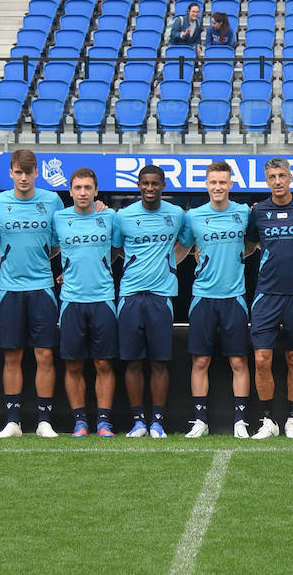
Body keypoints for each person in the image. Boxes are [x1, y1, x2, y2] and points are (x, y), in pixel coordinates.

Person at [0, 150, 63, 438]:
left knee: (44, 355)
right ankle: (13, 422)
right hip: (9, 289)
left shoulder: (52, 200)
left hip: (42, 287)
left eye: (28, 172)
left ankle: (44, 421)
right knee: (12, 356)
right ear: (10, 173)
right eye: (18, 172)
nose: (23, 177)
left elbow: (58, 241)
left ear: (37, 173)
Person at [245, 157, 293, 439]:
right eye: (272, 177)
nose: (277, 181)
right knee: (262, 359)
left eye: (282, 176)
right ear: (266, 181)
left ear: (290, 178)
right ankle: (268, 421)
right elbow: (249, 246)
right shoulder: (258, 212)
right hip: (266, 295)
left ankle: (292, 420)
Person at [176, 161, 253, 438]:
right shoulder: (193, 216)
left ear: (231, 184)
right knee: (200, 362)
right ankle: (200, 421)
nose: (218, 187)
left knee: (238, 363)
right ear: (206, 185)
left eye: (223, 182)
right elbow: (182, 248)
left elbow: (252, 243)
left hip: (234, 297)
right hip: (203, 298)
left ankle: (240, 421)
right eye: (213, 182)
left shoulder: (244, 213)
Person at [114, 166, 188, 438]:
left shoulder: (177, 214)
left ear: (163, 185)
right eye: (145, 183)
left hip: (161, 296)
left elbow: (186, 242)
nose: (149, 188)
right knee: (132, 362)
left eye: (155, 184)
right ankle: (137, 422)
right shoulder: (123, 216)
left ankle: (157, 422)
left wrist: (169, 265)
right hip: (131, 295)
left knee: (159, 362)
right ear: (138, 184)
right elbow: (118, 247)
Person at [54, 168, 122, 437]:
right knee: (73, 364)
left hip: (103, 299)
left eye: (87, 188)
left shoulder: (109, 216)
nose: (83, 193)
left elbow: (117, 249)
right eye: (78, 188)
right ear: (70, 191)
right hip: (71, 301)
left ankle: (104, 422)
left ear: (96, 191)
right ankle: (80, 422)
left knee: (103, 364)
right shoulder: (58, 218)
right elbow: (48, 247)